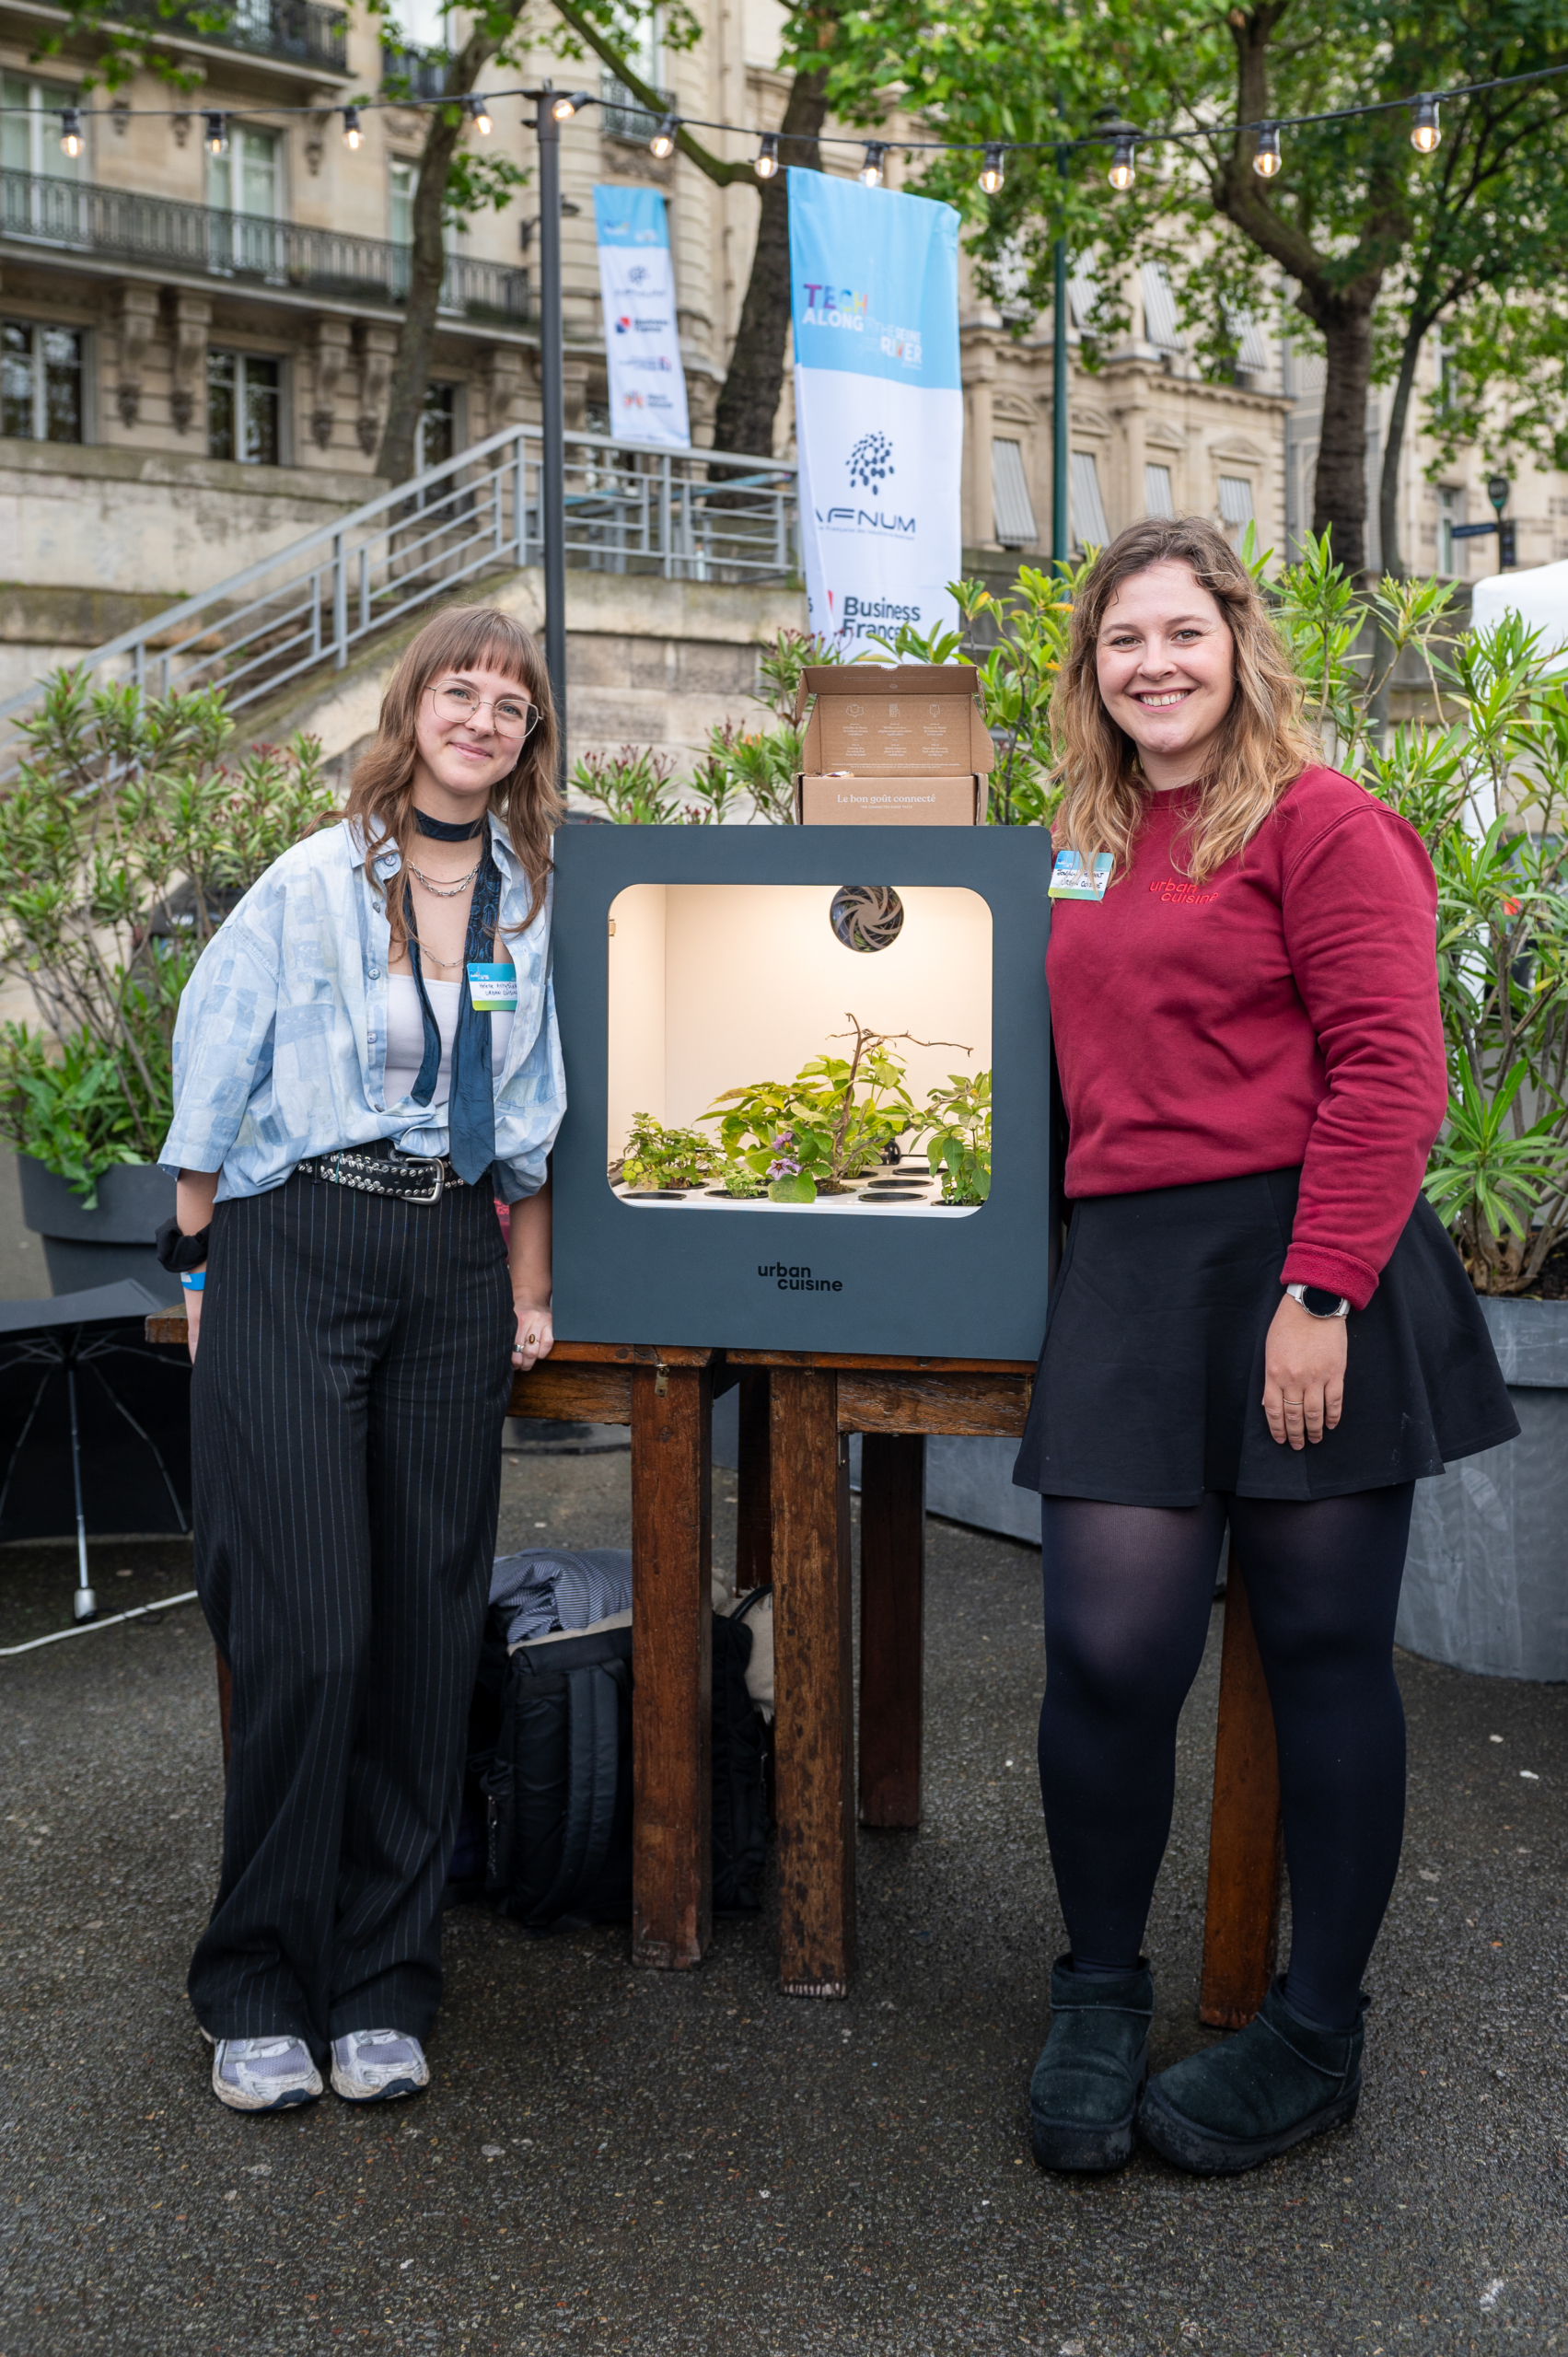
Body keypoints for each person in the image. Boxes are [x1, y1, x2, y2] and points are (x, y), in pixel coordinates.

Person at [1014, 517, 1516, 2177]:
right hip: (1133, 1273)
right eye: (1123, 640)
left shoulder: (1322, 821)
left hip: (1306, 1262)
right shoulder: (1078, 841)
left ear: (1239, 644)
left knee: (1321, 1654)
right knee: (1106, 1655)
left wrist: (1322, 1294)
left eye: (1184, 632)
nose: (1154, 664)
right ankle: (1099, 1993)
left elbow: (1393, 1068)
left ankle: (1314, 2035)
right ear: (1091, 669)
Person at [157, 606, 565, 2113]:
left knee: (424, 1635)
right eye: (460, 691)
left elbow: (530, 1113)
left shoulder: (526, 895)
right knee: (309, 1630)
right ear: (412, 709)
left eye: (509, 704)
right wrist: (197, 1265)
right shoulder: (313, 877)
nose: (482, 719)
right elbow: (215, 1065)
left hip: (452, 1257)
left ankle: (386, 1979)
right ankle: (258, 1980)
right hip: (297, 1242)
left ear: (527, 739)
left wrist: (525, 1288)